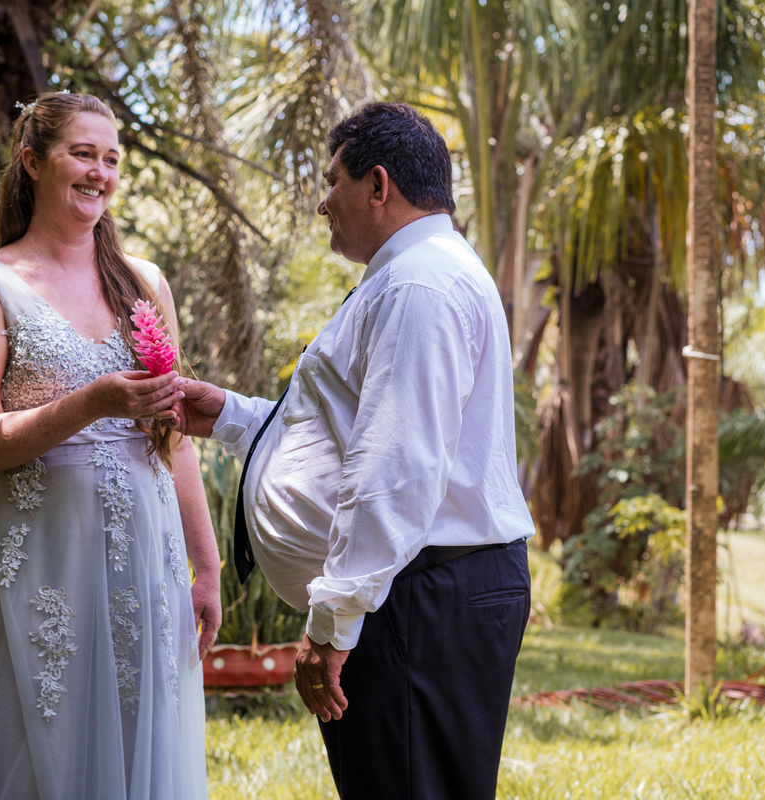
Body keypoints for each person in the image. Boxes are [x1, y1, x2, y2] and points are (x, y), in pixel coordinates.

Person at [173, 102, 536, 799]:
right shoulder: (410, 275)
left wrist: (335, 619)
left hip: (416, 597)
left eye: (331, 180)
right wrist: (229, 417)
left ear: (377, 185)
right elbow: (341, 432)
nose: (322, 202)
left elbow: (396, 465)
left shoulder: (418, 284)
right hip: (415, 589)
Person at [0, 92, 221, 800]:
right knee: (28, 753)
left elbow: (174, 436)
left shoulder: (144, 283)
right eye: (82, 154)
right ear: (33, 162)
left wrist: (206, 566)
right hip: (39, 565)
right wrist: (91, 403)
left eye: (111, 159)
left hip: (142, 564)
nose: (100, 173)